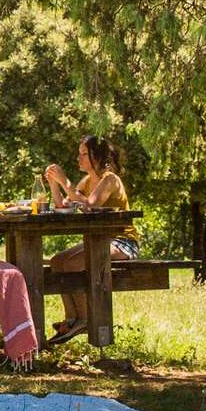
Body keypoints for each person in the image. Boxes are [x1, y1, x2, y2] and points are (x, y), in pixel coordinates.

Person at [42, 135, 140, 342]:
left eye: (84, 154)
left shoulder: (109, 179)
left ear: (98, 156)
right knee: (57, 262)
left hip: (123, 242)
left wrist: (65, 181)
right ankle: (71, 318)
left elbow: (91, 204)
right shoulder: (87, 181)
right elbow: (63, 205)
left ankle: (85, 319)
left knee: (74, 264)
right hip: (98, 241)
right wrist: (53, 184)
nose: (79, 158)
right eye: (79, 154)